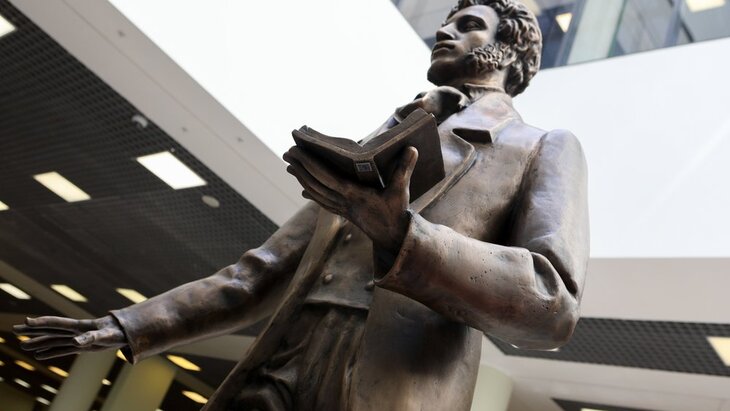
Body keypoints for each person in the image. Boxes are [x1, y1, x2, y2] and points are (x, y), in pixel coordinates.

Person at [14, 1, 589, 410]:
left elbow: (552, 303)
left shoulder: (538, 147)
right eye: (445, 21)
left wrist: (404, 238)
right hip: (285, 357)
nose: (443, 30)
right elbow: (256, 274)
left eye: (467, 25)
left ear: (509, 49)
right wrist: (126, 325)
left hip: (390, 384)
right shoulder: (388, 136)